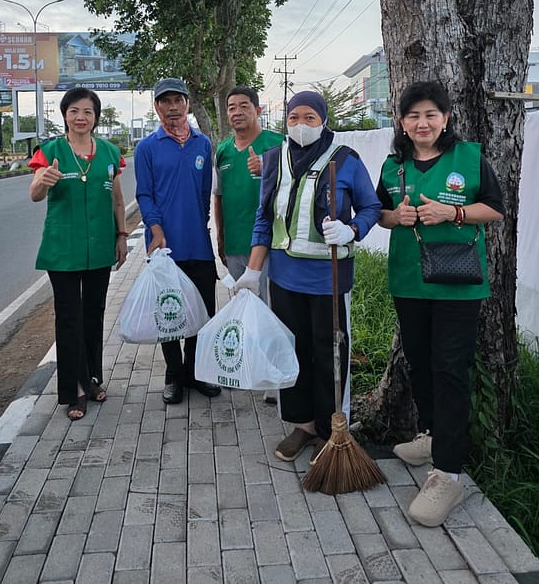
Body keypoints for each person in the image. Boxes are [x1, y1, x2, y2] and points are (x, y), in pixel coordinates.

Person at [376, 80, 504, 527]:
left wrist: (454, 212)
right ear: (402, 122)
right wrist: (397, 216)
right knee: (419, 362)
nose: (422, 123)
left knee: (450, 370)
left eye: (431, 114)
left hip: (457, 285)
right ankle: (431, 435)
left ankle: (449, 474)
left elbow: (495, 208)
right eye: (413, 115)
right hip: (410, 281)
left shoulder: (468, 158)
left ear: (446, 118)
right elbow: (379, 213)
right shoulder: (394, 166)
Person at [235, 90, 381, 464]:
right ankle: (302, 425)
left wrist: (352, 229)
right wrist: (253, 270)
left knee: (330, 353)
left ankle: (332, 430)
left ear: (323, 120)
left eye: (309, 118)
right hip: (284, 277)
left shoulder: (345, 160)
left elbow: (371, 206)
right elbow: (265, 217)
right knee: (291, 350)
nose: (301, 125)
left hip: (329, 278)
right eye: (294, 118)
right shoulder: (274, 159)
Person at [29, 87, 128, 421]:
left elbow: (117, 199)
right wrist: (43, 180)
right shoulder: (50, 151)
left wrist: (122, 235)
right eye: (74, 111)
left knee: (94, 314)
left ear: (96, 117)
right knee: (69, 318)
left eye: (87, 111)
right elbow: (34, 195)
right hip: (63, 249)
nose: (81, 117)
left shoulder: (110, 152)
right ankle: (75, 390)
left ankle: (93, 377)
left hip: (100, 246)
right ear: (65, 115)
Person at [134, 77, 221, 405]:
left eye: (178, 100)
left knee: (202, 310)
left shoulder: (202, 144)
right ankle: (174, 375)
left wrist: (200, 224)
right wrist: (156, 229)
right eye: (165, 101)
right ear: (157, 107)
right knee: (169, 313)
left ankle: (196, 372)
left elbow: (204, 191)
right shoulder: (147, 147)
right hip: (163, 247)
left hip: (198, 243)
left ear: (187, 104)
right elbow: (144, 194)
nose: (172, 107)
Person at [213, 86, 283, 300]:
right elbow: (219, 196)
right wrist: (221, 239)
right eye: (231, 108)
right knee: (244, 306)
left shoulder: (278, 144)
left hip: (271, 246)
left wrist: (268, 169)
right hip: (235, 245)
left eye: (244, 106)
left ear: (258, 110)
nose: (237, 112)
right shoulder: (223, 151)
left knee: (270, 308)